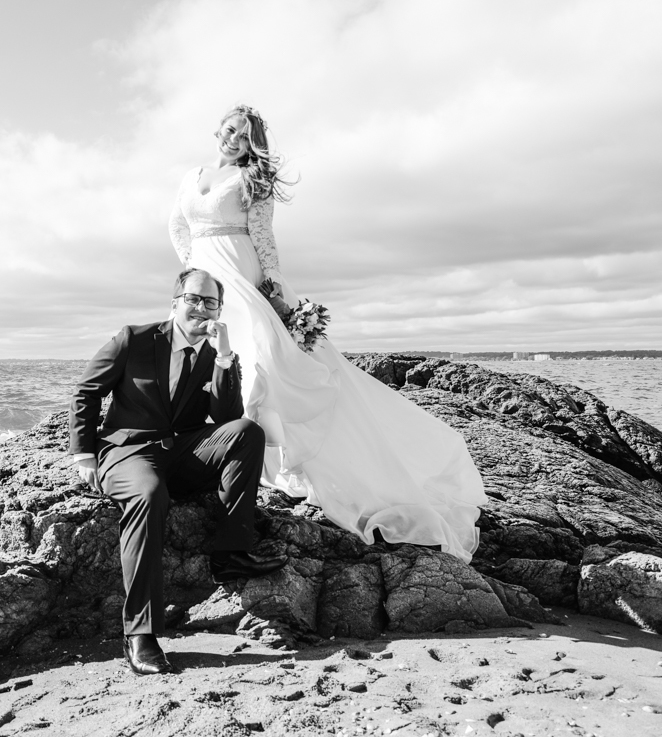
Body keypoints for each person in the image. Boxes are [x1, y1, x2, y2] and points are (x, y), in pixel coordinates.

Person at [168, 105, 488, 562]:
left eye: (243, 134)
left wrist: (274, 287)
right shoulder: (191, 175)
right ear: (217, 129)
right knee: (210, 358)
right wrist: (192, 269)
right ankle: (234, 452)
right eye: (229, 129)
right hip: (205, 274)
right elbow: (177, 225)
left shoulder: (249, 180)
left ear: (251, 142)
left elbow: (264, 236)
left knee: (260, 358)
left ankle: (250, 454)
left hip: (240, 273)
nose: (233, 138)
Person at [69, 268, 288, 675]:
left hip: (182, 451)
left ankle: (230, 553)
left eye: (210, 302)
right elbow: (87, 392)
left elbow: (226, 416)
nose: (201, 308)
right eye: (193, 299)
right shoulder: (133, 339)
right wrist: (84, 455)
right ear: (175, 302)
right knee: (151, 496)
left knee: (246, 433)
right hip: (128, 451)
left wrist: (225, 357)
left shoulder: (213, 352)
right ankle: (140, 633)